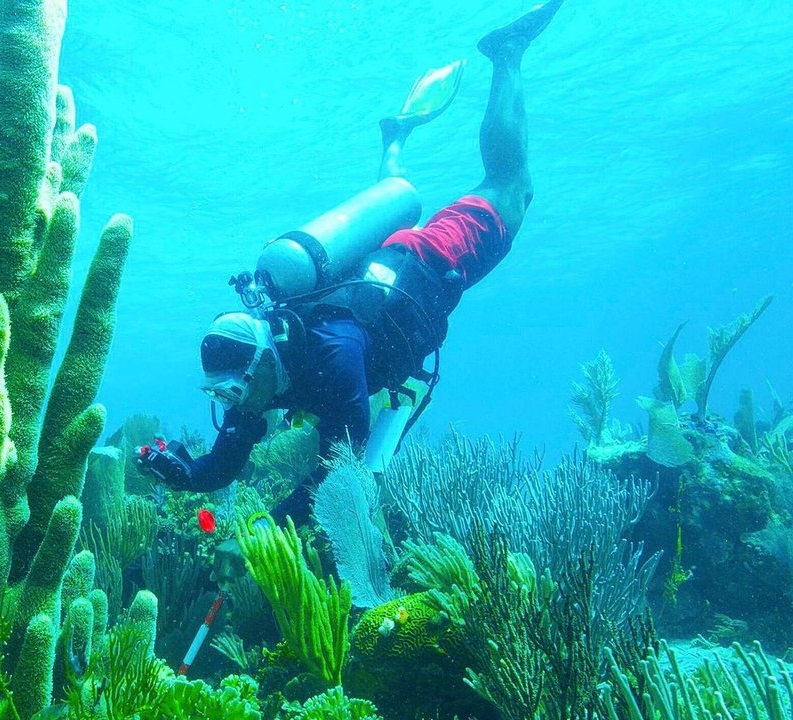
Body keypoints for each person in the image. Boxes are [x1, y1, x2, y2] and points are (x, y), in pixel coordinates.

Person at [137, 1, 565, 522]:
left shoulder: (331, 353)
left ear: (262, 361)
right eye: (222, 393)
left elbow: (343, 463)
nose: (235, 405)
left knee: (512, 189)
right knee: (417, 196)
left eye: (233, 391)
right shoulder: (252, 380)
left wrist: (264, 534)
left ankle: (506, 54)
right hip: (380, 268)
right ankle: (395, 141)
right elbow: (225, 463)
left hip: (429, 259)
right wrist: (188, 474)